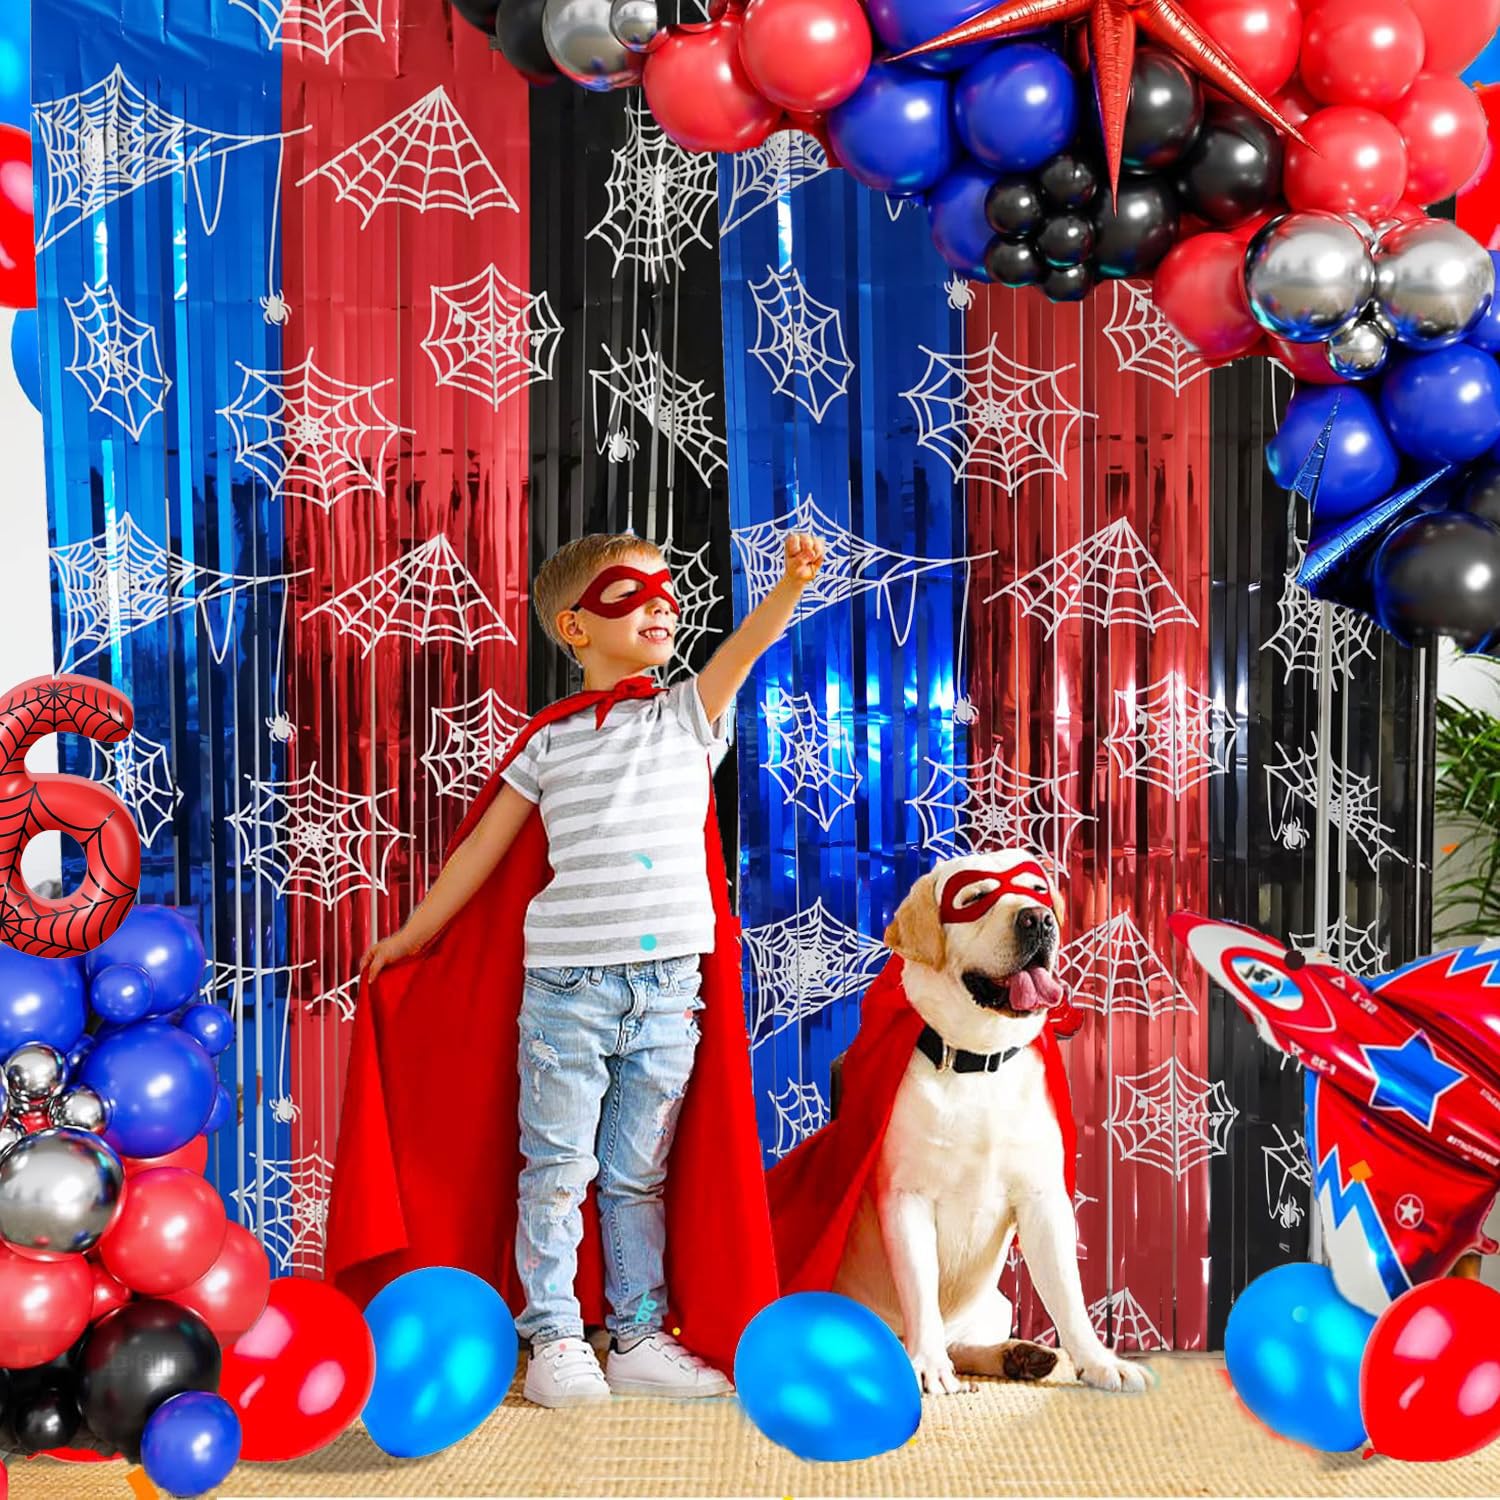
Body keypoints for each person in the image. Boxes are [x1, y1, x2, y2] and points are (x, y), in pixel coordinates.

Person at [328, 529, 824, 1409]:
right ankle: (555, 1335)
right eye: (631, 593)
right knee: (556, 1169)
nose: (663, 604)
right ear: (575, 626)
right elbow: (482, 851)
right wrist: (411, 936)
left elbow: (747, 646)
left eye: (668, 590)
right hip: (566, 988)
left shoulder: (684, 715)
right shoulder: (547, 744)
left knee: (639, 1174)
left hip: (670, 990)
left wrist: (786, 585)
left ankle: (636, 1333)